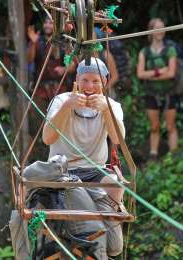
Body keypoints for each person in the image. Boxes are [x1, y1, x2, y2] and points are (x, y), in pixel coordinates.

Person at [42, 57, 124, 256]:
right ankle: (95, 230)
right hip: (64, 171)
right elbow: (47, 138)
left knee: (116, 247)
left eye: (95, 81)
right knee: (94, 231)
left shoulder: (111, 105)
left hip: (96, 171)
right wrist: (67, 107)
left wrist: (106, 110)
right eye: (85, 80)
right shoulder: (62, 100)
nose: (89, 87)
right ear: (77, 80)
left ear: (104, 82)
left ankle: (106, 212)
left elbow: (117, 139)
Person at [136, 18, 178, 160]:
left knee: (170, 126)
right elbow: (140, 74)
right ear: (151, 31)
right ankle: (153, 154)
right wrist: (160, 72)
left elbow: (171, 73)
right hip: (151, 94)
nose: (161, 31)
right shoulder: (145, 52)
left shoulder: (170, 50)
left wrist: (151, 75)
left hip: (169, 93)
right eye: (157, 28)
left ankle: (174, 156)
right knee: (154, 126)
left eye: (163, 27)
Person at [27, 17, 68, 134]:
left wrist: (64, 69)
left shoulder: (64, 42)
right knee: (38, 121)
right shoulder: (37, 40)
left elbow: (73, 64)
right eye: (46, 22)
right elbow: (29, 59)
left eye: (51, 22)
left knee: (59, 122)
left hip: (59, 88)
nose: (47, 25)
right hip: (41, 88)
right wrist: (33, 43)